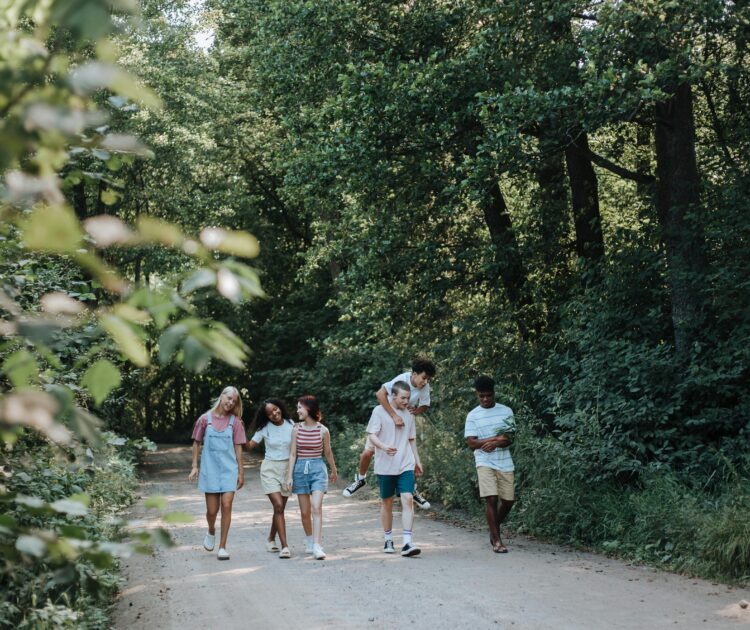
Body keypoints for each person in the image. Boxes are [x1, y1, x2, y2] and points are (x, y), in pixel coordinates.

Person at [342, 357, 435, 509]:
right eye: (424, 378)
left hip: (404, 423)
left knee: (407, 456)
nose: (425, 382)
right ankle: (360, 479)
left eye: (428, 379)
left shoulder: (425, 387)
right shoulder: (401, 379)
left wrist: (415, 411)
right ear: (414, 374)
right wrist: (394, 415)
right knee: (367, 453)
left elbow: (425, 405)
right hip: (387, 418)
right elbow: (380, 394)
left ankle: (412, 489)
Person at [188, 386, 247, 560]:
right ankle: (211, 529)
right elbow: (196, 443)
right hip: (210, 470)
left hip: (229, 470)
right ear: (221, 396)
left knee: (227, 505)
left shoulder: (236, 423)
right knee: (212, 511)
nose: (230, 402)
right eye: (228, 398)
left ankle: (222, 547)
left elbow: (238, 448)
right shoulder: (204, 419)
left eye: (234, 401)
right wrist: (194, 466)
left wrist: (241, 472)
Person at [367, 380, 423, 557]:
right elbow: (371, 435)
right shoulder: (379, 411)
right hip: (385, 464)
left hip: (405, 462)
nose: (406, 402)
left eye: (408, 398)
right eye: (403, 398)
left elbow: (411, 439)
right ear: (393, 396)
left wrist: (417, 460)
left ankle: (407, 543)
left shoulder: (409, 414)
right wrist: (383, 447)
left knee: (407, 498)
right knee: (387, 502)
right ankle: (388, 538)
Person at [464, 375, 515, 553]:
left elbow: (509, 438)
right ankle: (497, 540)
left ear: (494, 393)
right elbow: (471, 443)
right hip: (484, 461)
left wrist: (494, 442)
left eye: (488, 395)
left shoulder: (506, 411)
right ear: (477, 395)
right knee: (491, 498)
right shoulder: (473, 415)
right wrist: (495, 439)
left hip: (505, 461)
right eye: (481, 396)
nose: (485, 399)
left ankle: (493, 528)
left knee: (508, 501)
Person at [286, 395, 337, 560]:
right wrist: (289, 476)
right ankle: (309, 540)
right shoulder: (296, 429)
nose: (297, 410)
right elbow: (293, 453)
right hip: (300, 469)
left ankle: (316, 545)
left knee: (316, 507)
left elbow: (328, 452)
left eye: (300, 407)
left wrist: (334, 470)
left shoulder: (323, 430)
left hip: (318, 470)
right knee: (304, 512)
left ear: (309, 408)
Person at [247, 398, 294, 559]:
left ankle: (270, 539)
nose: (274, 413)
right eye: (269, 413)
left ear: (280, 407)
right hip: (269, 470)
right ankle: (285, 546)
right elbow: (249, 446)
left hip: (287, 470)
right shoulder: (264, 429)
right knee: (279, 505)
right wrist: (237, 433)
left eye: (275, 409)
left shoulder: (291, 424)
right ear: (266, 417)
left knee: (279, 509)